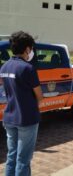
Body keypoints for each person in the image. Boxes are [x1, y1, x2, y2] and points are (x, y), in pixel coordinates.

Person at [0, 31, 43, 176]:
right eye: (31, 48)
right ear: (27, 49)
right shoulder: (28, 68)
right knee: (23, 159)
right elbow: (39, 95)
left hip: (9, 117)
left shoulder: (4, 67)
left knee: (11, 156)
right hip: (27, 118)